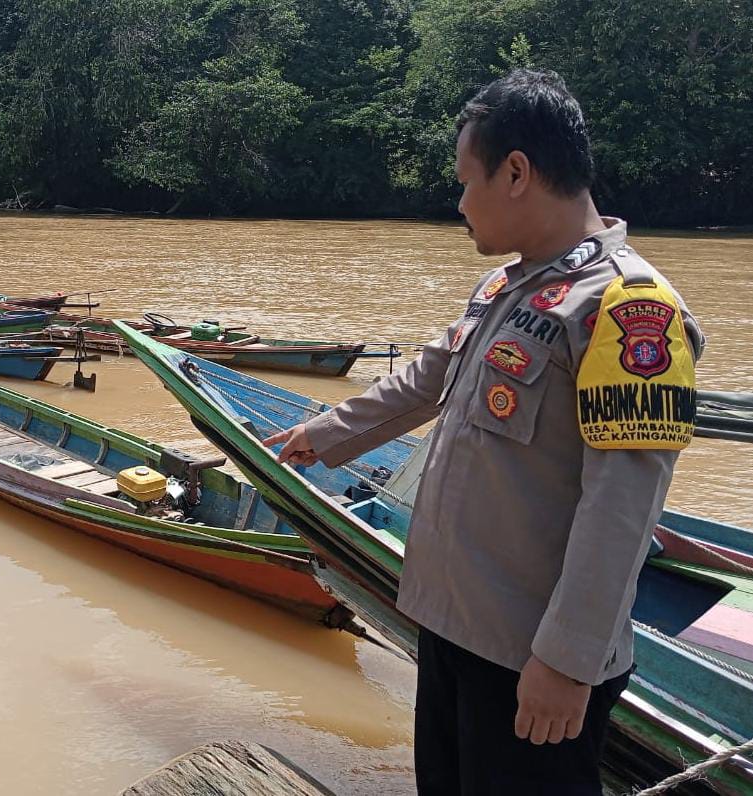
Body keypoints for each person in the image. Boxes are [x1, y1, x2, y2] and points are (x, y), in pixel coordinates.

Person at [264, 69, 704, 795]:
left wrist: (565, 662)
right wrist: (326, 431)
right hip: (453, 619)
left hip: (527, 654)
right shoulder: (509, 284)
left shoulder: (628, 312)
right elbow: (429, 377)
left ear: (517, 172)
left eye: (466, 182)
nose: (459, 203)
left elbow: (621, 506)